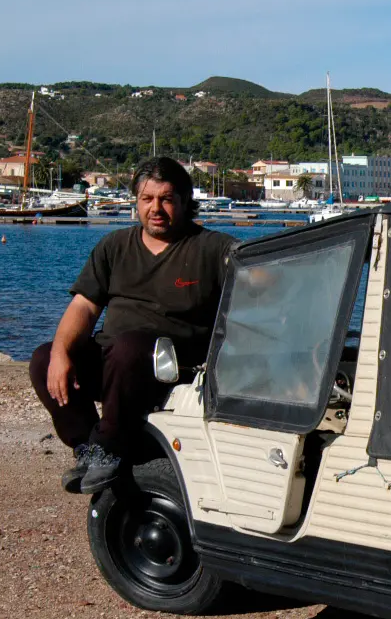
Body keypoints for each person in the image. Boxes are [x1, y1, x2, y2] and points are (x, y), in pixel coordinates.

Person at [30, 156, 237, 494]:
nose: (156, 208)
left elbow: (259, 290)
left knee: (130, 347)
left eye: (167, 199)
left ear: (185, 201)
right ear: (136, 202)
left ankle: (109, 444)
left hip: (169, 365)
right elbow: (83, 305)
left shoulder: (212, 248)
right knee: (44, 358)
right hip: (115, 362)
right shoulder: (115, 246)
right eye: (147, 199)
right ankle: (88, 449)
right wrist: (60, 353)